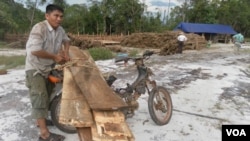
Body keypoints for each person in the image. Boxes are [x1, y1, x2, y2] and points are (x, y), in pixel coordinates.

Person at [25, 4, 70, 141]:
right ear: (47, 16)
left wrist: (66, 54)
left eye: (61, 16)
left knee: (49, 95)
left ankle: (41, 120)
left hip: (49, 67)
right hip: (35, 68)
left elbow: (67, 40)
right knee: (39, 96)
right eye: (56, 16)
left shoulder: (60, 29)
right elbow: (35, 50)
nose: (59, 19)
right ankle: (44, 135)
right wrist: (55, 57)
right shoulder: (39, 28)